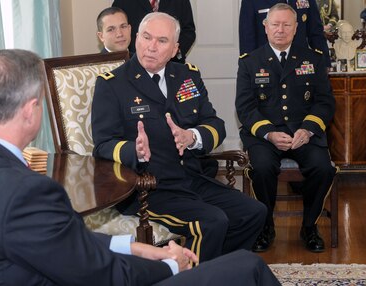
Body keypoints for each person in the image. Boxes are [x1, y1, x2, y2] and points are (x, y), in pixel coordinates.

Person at [0, 49, 281, 286]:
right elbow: (100, 274)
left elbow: (60, 242)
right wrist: (171, 264)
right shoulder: (27, 190)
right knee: (248, 267)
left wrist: (133, 245)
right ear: (30, 110)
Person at [92, 12, 267, 265]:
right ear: (136, 39)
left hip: (191, 178)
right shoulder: (112, 84)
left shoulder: (187, 76)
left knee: (253, 213)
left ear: (175, 49)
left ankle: (218, 270)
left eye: (162, 41)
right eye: (146, 37)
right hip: (149, 188)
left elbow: (214, 124)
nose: (151, 47)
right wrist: (135, 150)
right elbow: (103, 144)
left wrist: (193, 136)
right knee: (211, 222)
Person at [236, 3, 337, 253]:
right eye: (275, 24)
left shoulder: (312, 59)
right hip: (265, 135)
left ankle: (309, 226)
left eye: (286, 25)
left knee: (323, 168)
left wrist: (308, 129)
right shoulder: (250, 62)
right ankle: (265, 226)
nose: (280, 30)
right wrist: (269, 133)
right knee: (261, 168)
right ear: (265, 27)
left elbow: (325, 102)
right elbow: (245, 107)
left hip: (304, 133)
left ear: (295, 28)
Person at [239, 0, 331, 66]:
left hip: (300, 63)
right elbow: (247, 37)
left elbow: (316, 32)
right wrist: (248, 66)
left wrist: (325, 62)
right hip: (266, 64)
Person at [112, 0, 196, 63]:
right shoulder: (122, 2)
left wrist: (175, 52)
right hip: (136, 64)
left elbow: (188, 31)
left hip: (172, 63)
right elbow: (117, 28)